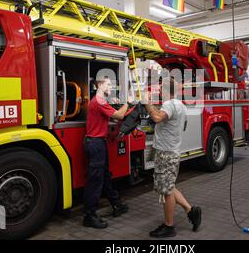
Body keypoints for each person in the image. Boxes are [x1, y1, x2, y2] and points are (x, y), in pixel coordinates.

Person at [145, 77, 202, 238]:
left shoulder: (169, 105)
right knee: (168, 185)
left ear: (165, 90)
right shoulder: (180, 105)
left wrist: (145, 102)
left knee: (167, 190)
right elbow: (165, 118)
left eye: (160, 89)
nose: (157, 91)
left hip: (166, 153)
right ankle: (191, 211)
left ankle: (169, 226)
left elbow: (157, 118)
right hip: (171, 151)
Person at [83, 76, 132, 229]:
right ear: (100, 85)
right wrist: (129, 103)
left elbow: (110, 118)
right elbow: (118, 116)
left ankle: (116, 203)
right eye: (109, 84)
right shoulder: (99, 101)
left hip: (98, 143)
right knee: (95, 180)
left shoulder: (98, 101)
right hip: (96, 144)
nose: (111, 86)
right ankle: (89, 216)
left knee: (105, 176)